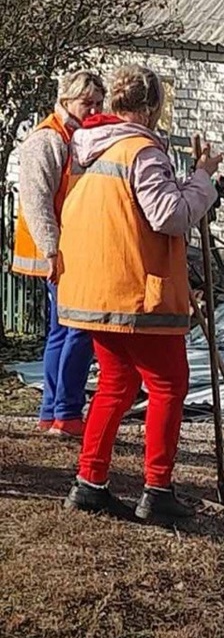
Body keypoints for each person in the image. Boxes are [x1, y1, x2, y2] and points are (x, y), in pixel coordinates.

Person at [56, 64, 223, 523]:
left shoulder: (88, 148)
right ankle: (158, 489)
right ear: (151, 107)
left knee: (116, 383)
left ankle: (89, 483)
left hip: (96, 289)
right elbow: (168, 215)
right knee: (169, 384)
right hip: (138, 291)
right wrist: (203, 180)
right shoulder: (141, 151)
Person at [12, 70, 106, 439]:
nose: (94, 109)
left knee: (63, 329)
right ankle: (65, 412)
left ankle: (54, 411)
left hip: (71, 247)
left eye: (99, 103)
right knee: (78, 329)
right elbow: (36, 202)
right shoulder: (48, 138)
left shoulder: (75, 136)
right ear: (67, 100)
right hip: (56, 250)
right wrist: (52, 251)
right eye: (88, 103)